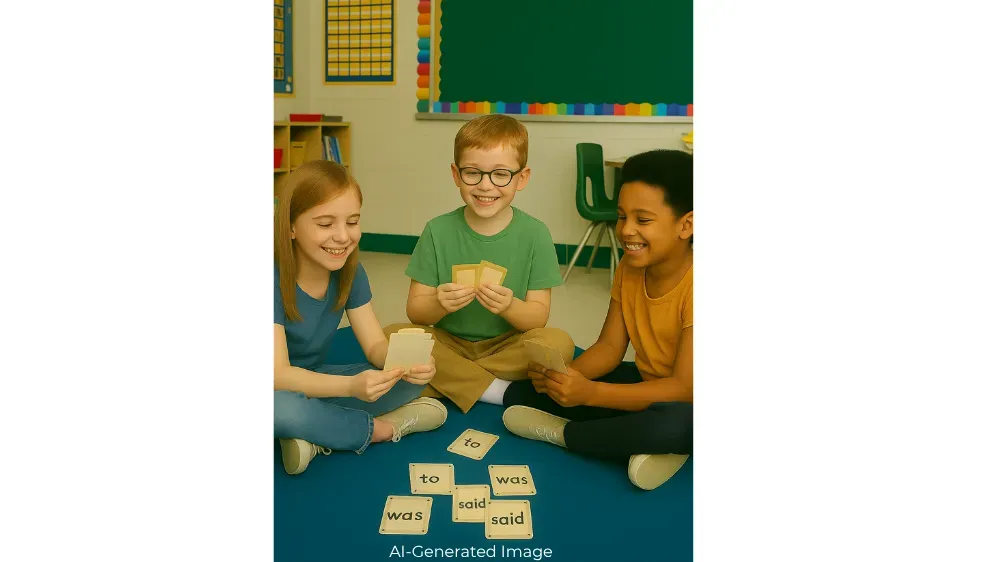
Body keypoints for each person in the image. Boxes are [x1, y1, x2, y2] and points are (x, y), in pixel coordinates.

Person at [502, 150, 693, 490]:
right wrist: (569, 378)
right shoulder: (630, 268)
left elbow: (683, 388)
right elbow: (609, 346)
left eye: (643, 220)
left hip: (688, 402)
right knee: (529, 391)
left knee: (675, 424)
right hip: (651, 386)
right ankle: (636, 446)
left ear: (687, 225)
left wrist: (590, 395)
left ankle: (564, 435)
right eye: (622, 216)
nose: (627, 231)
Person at [386, 115, 574, 413]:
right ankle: (495, 390)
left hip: (507, 345)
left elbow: (538, 318)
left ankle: (449, 380)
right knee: (391, 337)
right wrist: (440, 303)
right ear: (456, 174)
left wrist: (509, 306)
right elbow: (416, 313)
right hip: (448, 341)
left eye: (501, 174)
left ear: (521, 178)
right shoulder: (437, 230)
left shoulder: (536, 234)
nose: (486, 186)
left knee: (559, 343)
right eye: (473, 173)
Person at [274, 161, 447, 475]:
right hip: (276, 385)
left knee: (407, 384)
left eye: (352, 222)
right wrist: (351, 386)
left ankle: (313, 435)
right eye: (325, 224)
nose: (342, 236)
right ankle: (380, 429)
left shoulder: (350, 273)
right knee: (279, 408)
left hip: (314, 380)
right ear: (290, 227)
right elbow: (277, 375)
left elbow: (374, 347)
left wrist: (403, 364)